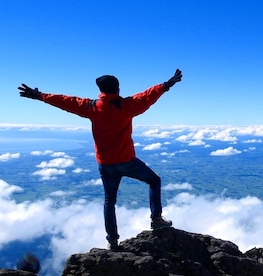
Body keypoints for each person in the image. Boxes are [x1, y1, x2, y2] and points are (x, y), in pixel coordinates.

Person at [18, 69, 183, 250]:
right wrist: (167, 84)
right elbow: (147, 96)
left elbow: (66, 101)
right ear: (117, 88)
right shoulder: (127, 106)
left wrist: (40, 95)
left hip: (106, 164)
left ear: (101, 90)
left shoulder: (92, 107)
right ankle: (156, 219)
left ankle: (112, 241)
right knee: (154, 180)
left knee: (109, 201)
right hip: (127, 161)